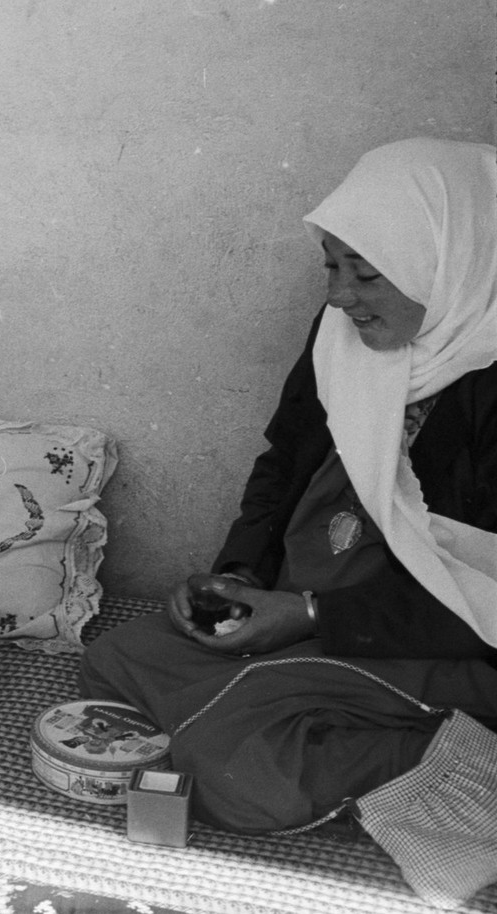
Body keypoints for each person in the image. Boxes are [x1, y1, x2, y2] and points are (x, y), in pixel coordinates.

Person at [79, 139, 497, 903]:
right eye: (331, 266)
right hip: (311, 600)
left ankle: (453, 764)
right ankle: (322, 721)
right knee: (121, 656)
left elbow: (480, 594)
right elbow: (285, 459)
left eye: (365, 271)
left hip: (438, 632)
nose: (340, 296)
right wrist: (238, 577)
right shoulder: (344, 334)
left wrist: (307, 616)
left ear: (454, 259)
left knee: (234, 769)